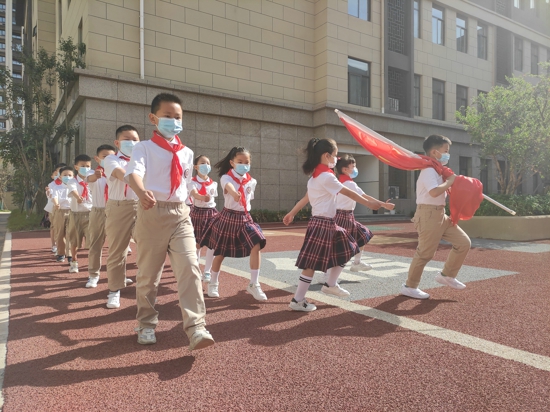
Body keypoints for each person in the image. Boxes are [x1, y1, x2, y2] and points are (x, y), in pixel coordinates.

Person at [126, 92, 214, 350]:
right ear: (153, 118)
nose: (174, 121)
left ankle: (196, 327)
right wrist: (142, 192)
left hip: (180, 214)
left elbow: (184, 184)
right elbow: (133, 173)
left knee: (190, 268)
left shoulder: (187, 152)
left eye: (178, 117)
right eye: (167, 116)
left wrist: (194, 198)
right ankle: (146, 323)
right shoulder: (143, 147)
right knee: (148, 275)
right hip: (152, 212)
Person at [283, 138, 393, 312]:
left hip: (322, 223)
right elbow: (348, 192)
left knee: (346, 249)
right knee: (314, 263)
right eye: (335, 155)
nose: (336, 158)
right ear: (326, 155)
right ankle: (300, 298)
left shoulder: (315, 178)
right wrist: (369, 204)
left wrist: (292, 213)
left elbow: (306, 198)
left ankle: (329, 285)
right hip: (323, 223)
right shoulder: (327, 177)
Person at [401, 134, 470, 299]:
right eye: (445, 151)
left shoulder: (438, 170)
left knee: (463, 243)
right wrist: (450, 181)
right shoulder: (428, 170)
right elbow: (433, 192)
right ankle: (410, 286)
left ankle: (447, 275)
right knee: (425, 253)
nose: (447, 154)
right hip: (428, 214)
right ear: (434, 152)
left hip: (440, 214)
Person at [199, 147, 267, 301]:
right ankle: (213, 283)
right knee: (220, 253)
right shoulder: (226, 177)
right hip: (228, 217)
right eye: (240, 162)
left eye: (247, 162)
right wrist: (235, 193)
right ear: (232, 163)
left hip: (245, 218)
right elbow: (228, 187)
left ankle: (254, 284)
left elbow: (248, 200)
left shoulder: (252, 181)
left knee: (256, 244)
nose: (244, 165)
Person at [319, 155, 395, 282]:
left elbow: (363, 196)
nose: (355, 169)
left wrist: (382, 204)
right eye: (353, 167)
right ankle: (327, 275)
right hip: (343, 216)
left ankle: (356, 263)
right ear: (344, 169)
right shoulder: (349, 184)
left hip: (345, 216)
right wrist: (384, 205)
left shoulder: (341, 182)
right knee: (340, 247)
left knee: (362, 236)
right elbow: (364, 196)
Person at [103, 125, 140, 308]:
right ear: (117, 143)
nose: (131, 143)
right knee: (118, 250)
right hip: (119, 207)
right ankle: (114, 290)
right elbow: (121, 174)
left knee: (149, 248)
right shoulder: (111, 159)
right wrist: (142, 184)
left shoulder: (143, 160)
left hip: (142, 206)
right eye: (127, 139)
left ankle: (146, 290)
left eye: (135, 140)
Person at [85, 144, 116, 288]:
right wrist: (95, 176)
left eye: (112, 157)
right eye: (105, 157)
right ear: (97, 159)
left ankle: (118, 276)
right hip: (98, 212)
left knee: (118, 247)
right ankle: (93, 275)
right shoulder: (93, 173)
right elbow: (89, 179)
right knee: (96, 245)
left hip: (115, 212)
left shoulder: (117, 173)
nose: (108, 159)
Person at [188, 155, 218, 283]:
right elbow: (194, 194)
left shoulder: (214, 183)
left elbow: (213, 198)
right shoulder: (192, 182)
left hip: (212, 213)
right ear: (196, 167)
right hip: (198, 213)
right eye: (203, 163)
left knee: (212, 244)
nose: (206, 165)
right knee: (197, 244)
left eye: (208, 163)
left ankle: (207, 271)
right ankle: (196, 270)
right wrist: (201, 197)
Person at [66, 155, 93, 274]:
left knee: (92, 240)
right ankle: (74, 262)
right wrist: (78, 197)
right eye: (82, 166)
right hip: (76, 214)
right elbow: (73, 190)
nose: (85, 168)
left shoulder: (92, 180)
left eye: (88, 166)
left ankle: (92, 264)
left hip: (90, 214)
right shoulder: (72, 181)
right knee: (74, 240)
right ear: (76, 167)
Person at [51, 166, 74, 264]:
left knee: (70, 233)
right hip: (60, 211)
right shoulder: (56, 187)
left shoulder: (75, 187)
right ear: (60, 177)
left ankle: (70, 255)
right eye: (65, 175)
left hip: (72, 212)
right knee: (60, 233)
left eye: (70, 175)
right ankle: (61, 254)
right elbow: (54, 196)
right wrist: (56, 204)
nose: (67, 177)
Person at [45, 163, 66, 254]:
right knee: (54, 227)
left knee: (66, 228)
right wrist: (49, 193)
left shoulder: (69, 183)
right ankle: (54, 245)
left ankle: (64, 245)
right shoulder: (52, 184)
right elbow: (50, 196)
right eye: (59, 171)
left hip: (67, 209)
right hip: (54, 209)